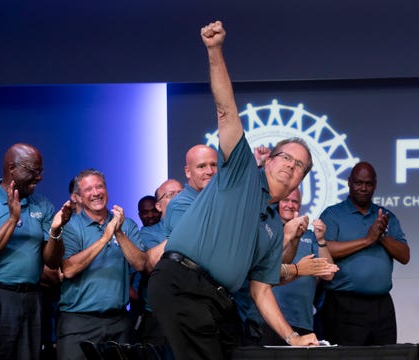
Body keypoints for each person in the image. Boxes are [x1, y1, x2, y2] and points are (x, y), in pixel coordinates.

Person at [148, 20, 318, 360]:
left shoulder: (273, 228)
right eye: (285, 156)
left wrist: (291, 337)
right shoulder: (240, 172)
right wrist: (214, 50)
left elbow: (261, 289)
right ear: (268, 159)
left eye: (299, 166)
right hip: (182, 282)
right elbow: (226, 110)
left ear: (301, 181)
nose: (290, 165)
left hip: (218, 300)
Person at [57, 169, 146, 360]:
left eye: (100, 186)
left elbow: (140, 264)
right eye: (88, 189)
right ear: (79, 198)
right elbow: (69, 269)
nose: (96, 192)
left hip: (119, 322)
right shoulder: (71, 226)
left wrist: (119, 232)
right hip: (78, 323)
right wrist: (105, 237)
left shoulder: (127, 224)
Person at [0, 143, 74, 359]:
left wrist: (56, 231)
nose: (39, 177)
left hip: (33, 298)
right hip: (0, 296)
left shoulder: (42, 205)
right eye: (33, 171)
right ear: (12, 168)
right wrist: (13, 219)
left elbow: (51, 261)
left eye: (41, 171)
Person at [319, 161, 410, 346]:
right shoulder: (333, 214)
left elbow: (405, 256)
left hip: (382, 306)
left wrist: (382, 236)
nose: (363, 188)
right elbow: (325, 249)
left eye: (368, 184)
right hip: (344, 304)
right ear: (349, 182)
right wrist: (367, 240)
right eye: (359, 183)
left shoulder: (386, 217)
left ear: (375, 185)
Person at [259, 188, 338, 345]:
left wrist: (321, 239)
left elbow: (329, 274)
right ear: (277, 203)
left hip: (303, 320)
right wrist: (298, 269)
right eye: (286, 200)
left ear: (300, 206)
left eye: (294, 201)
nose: (290, 205)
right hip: (270, 320)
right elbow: (264, 268)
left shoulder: (309, 236)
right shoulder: (267, 231)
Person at [133, 179, 183, 358]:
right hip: (159, 316)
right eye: (170, 195)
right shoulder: (148, 233)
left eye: (181, 193)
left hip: (192, 314)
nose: (178, 199)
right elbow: (163, 264)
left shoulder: (203, 225)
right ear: (159, 205)